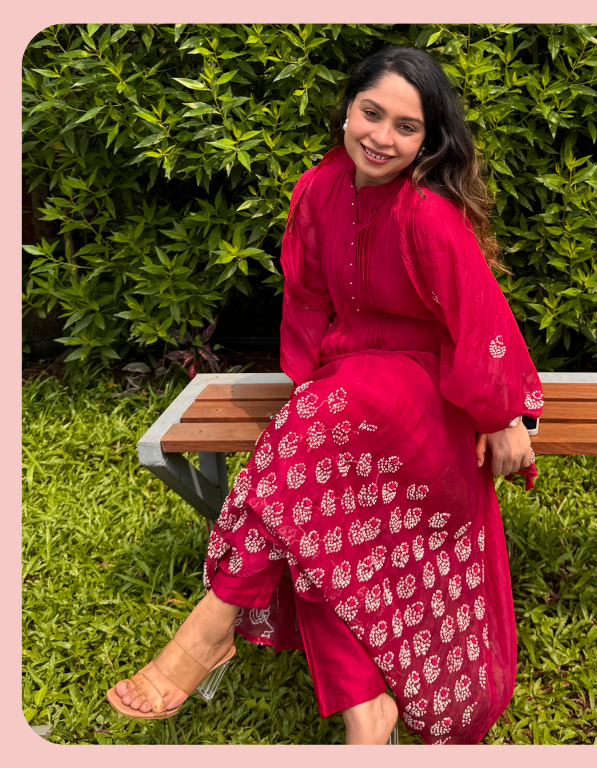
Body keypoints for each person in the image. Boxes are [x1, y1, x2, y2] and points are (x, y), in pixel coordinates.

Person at [106, 46, 543, 745]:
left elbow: (480, 317)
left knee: (312, 464)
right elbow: (307, 300)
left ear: (428, 142)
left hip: (423, 394)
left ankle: (211, 627)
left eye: (406, 127)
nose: (382, 137)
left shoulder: (427, 212)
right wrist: (312, 390)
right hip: (346, 390)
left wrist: (502, 414)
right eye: (372, 113)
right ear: (346, 111)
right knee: (320, 522)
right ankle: (367, 715)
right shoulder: (316, 190)